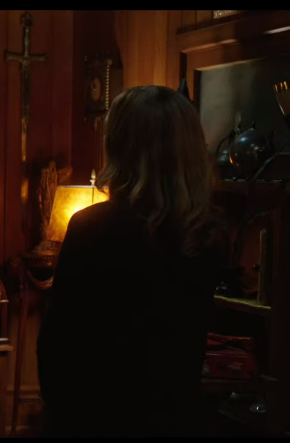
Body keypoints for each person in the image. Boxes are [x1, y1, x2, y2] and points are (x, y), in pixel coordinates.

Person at [36, 85, 226, 437]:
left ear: (119, 149)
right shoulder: (207, 236)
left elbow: (57, 344)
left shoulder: (93, 227)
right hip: (172, 418)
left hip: (93, 417)